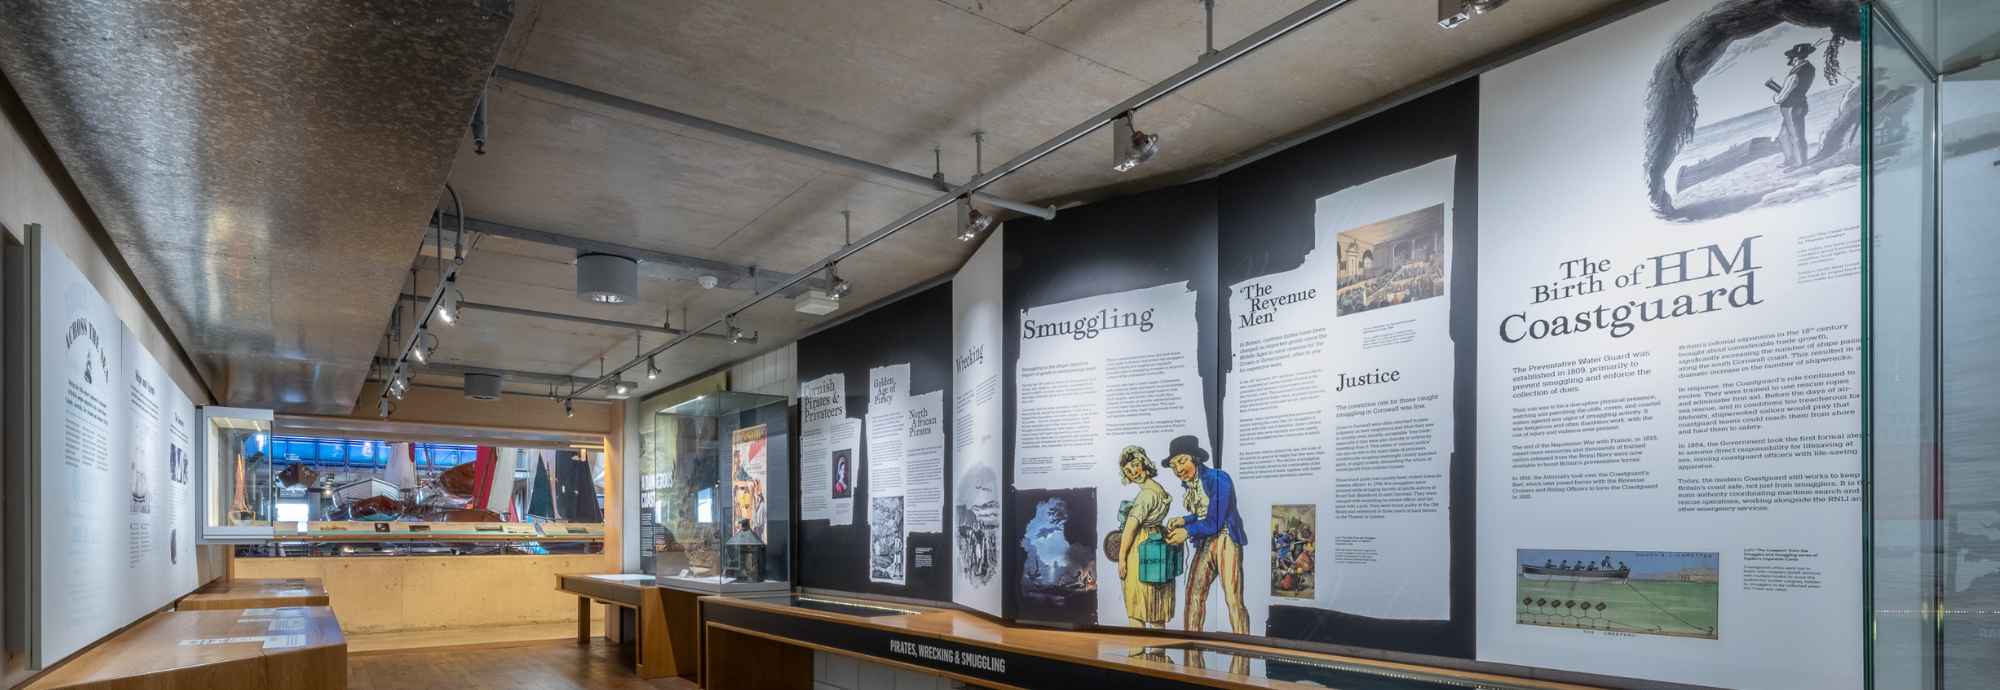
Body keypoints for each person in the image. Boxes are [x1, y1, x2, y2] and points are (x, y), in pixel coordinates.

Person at [1162, 436, 1248, 634]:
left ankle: (1243, 642)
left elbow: (1215, 520)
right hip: (1205, 540)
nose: (1178, 470)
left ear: (1196, 459)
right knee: (1193, 593)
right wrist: (1185, 520)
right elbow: (1203, 514)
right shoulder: (1191, 485)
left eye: (1182, 461)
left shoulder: (1218, 478)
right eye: (1174, 466)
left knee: (1232, 597)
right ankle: (1192, 642)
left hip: (1226, 537)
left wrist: (1186, 531)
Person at [1115, 446, 1175, 628]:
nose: (1134, 472)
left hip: (1141, 548)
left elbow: (1130, 529)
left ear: (1144, 463)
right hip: (1157, 542)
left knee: (1137, 605)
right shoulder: (1159, 489)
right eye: (1128, 470)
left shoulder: (1145, 494)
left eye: (1135, 465)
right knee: (1156, 607)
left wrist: (1122, 558)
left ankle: (1138, 644)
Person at [1772, 43, 1818, 169]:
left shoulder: (1795, 74)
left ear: (1796, 58)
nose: (1790, 61)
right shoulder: (1810, 68)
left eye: (1791, 58)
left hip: (1792, 107)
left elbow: (1781, 97)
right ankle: (1790, 160)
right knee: (1783, 136)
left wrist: (1776, 96)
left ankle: (1799, 163)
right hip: (1798, 104)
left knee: (1795, 136)